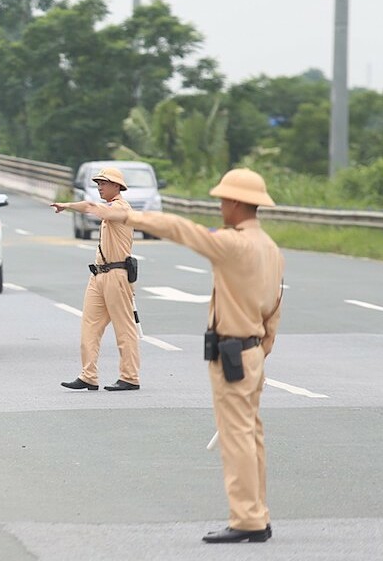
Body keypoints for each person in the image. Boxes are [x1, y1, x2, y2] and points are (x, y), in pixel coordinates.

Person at [80, 168, 285, 544]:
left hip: (232, 355)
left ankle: (248, 519)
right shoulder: (271, 249)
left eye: (224, 200)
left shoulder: (232, 243)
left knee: (237, 438)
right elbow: (274, 311)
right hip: (253, 353)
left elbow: (181, 229)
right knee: (251, 438)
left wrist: (132, 216)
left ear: (238, 203)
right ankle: (258, 514)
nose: (221, 206)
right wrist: (261, 355)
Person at [50, 167, 141, 392]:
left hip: (117, 275)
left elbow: (92, 208)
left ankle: (130, 377)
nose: (99, 186)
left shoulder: (120, 208)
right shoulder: (109, 208)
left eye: (104, 182)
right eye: (98, 182)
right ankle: (88, 375)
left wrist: (67, 206)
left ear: (117, 186)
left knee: (124, 329)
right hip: (99, 275)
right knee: (89, 326)